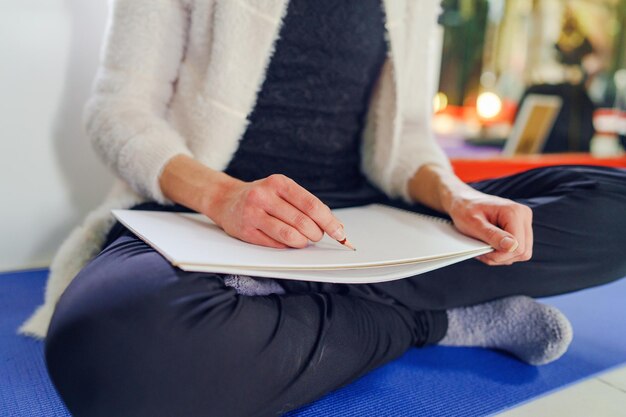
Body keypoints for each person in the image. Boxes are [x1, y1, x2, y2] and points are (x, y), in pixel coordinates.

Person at [21, 1, 626, 416]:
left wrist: (455, 196)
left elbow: (408, 135)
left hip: (361, 217)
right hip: (199, 214)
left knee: (614, 207)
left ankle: (297, 297)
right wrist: (222, 195)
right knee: (108, 344)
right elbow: (116, 112)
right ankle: (432, 320)